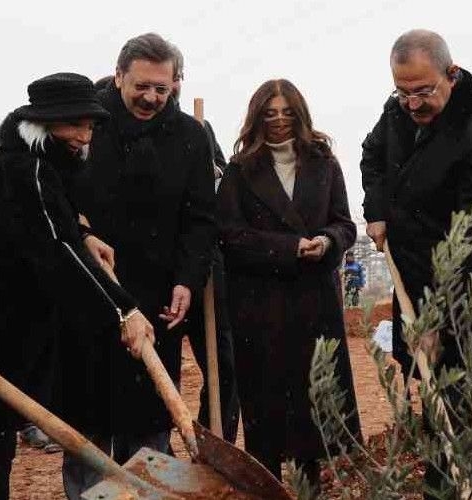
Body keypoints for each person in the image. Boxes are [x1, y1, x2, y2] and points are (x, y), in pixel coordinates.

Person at [0, 72, 155, 500]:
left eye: (90, 126)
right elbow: (57, 252)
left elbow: (57, 227)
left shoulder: (32, 164)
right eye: (74, 125)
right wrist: (124, 310)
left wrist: (84, 234)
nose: (84, 136)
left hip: (2, 336)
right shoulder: (28, 170)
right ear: (45, 124)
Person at [360, 29, 472, 499]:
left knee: (468, 418)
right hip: (413, 285)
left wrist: (440, 322)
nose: (412, 103)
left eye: (423, 91)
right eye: (402, 91)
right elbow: (372, 157)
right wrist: (376, 210)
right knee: (434, 412)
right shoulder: (398, 113)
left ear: (451, 74)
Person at [74, 31, 216, 486]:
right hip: (90, 292)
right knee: (88, 426)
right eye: (142, 86)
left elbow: (200, 220)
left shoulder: (191, 137)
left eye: (162, 87)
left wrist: (187, 280)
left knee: (151, 423)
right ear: (118, 77)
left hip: (158, 299)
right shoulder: (86, 127)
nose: (152, 97)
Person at [218, 78, 361, 488]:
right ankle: (267, 489)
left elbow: (344, 224)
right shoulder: (241, 170)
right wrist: (287, 248)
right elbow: (230, 235)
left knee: (310, 413)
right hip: (260, 307)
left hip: (313, 304)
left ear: (299, 115)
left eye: (286, 112)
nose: (279, 120)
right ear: (257, 117)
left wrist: (328, 241)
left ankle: (309, 488)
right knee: (266, 413)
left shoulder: (324, 162)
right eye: (270, 112)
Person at [169, 42, 241, 443]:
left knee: (224, 363)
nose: (170, 88)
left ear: (179, 81)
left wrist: (215, 175)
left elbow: (224, 186)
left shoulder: (199, 128)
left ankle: (217, 442)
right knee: (161, 367)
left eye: (175, 79)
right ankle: (163, 446)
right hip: (162, 268)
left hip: (206, 267)